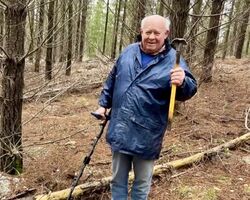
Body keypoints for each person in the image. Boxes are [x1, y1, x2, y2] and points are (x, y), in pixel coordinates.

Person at [93, 15, 197, 200]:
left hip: (147, 132)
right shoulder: (128, 52)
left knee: (141, 184)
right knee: (117, 180)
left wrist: (182, 82)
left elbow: (189, 90)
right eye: (147, 32)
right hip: (120, 126)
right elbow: (112, 79)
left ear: (166, 34)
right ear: (141, 32)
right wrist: (103, 105)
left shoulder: (174, 59)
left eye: (156, 33)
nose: (151, 37)